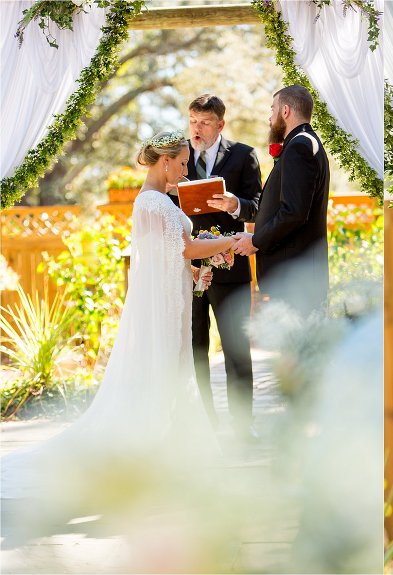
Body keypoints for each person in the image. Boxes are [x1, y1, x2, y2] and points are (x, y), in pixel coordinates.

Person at [1, 130, 237, 502]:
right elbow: (186, 248)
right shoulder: (153, 203)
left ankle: (175, 459)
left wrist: (197, 268)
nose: (185, 168)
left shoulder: (158, 200)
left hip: (171, 297)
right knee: (163, 372)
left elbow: (171, 253)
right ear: (164, 161)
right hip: (161, 304)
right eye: (181, 162)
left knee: (174, 371)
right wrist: (231, 242)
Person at [174, 94, 262, 434]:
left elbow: (257, 205)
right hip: (188, 267)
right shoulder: (177, 156)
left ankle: (243, 426)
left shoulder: (243, 156)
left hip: (231, 268)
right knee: (194, 349)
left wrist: (234, 204)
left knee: (237, 352)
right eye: (193, 121)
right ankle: (205, 427)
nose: (197, 129)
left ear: (220, 124)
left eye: (205, 123)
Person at [207, 85, 330, 318]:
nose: (269, 117)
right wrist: (241, 213)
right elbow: (279, 208)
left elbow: (293, 212)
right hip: (299, 274)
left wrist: (256, 241)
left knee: (298, 349)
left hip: (293, 278)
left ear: (285, 111)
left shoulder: (299, 147)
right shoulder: (306, 143)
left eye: (272, 109)